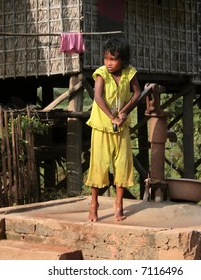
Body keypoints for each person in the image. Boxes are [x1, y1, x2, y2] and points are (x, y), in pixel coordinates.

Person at [85, 36, 141, 222]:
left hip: (122, 127)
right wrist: (112, 117)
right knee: (99, 165)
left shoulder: (129, 73)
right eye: (106, 58)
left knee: (123, 164)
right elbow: (98, 97)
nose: (108, 63)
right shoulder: (101, 73)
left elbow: (137, 93)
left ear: (123, 60)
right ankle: (94, 204)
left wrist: (124, 112)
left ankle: (119, 205)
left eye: (113, 59)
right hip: (102, 126)